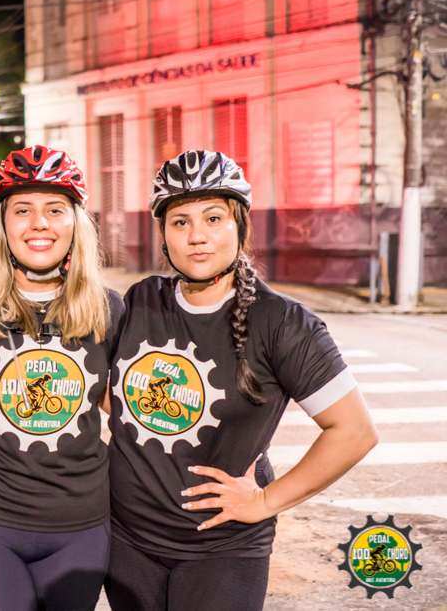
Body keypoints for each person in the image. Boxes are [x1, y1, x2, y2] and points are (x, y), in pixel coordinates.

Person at [103, 150, 378, 611]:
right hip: (126, 541)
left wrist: (265, 501)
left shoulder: (282, 321)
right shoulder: (141, 299)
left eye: (214, 218)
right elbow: (112, 395)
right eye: (180, 222)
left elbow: (354, 431)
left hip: (223, 548)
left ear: (240, 226)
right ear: (163, 234)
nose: (197, 236)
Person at [0, 146, 125, 611]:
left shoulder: (109, 308)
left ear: (75, 222)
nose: (39, 223)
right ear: (3, 224)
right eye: (22, 210)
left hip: (81, 527)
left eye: (54, 209)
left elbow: (130, 412)